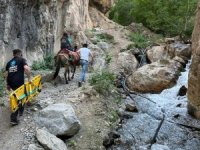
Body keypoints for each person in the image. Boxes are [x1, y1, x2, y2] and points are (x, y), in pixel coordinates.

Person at [5, 49, 31, 125]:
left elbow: (6, 74)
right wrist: (29, 78)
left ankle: (21, 111)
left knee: (20, 96)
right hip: (19, 83)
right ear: (20, 53)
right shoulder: (22, 60)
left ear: (13, 54)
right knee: (18, 98)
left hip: (11, 83)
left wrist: (7, 84)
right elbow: (26, 68)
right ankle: (13, 119)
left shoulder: (9, 63)